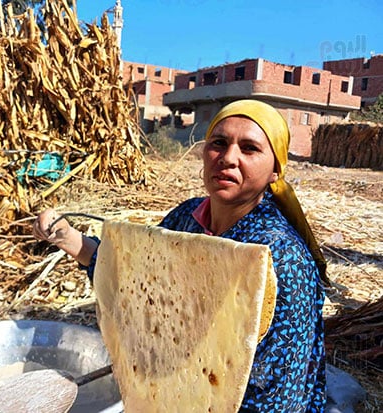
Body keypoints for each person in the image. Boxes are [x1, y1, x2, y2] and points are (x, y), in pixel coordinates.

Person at [33, 99, 327, 412]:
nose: (228, 158)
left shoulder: (282, 257)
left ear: (275, 171)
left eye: (250, 149)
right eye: (218, 143)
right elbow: (138, 281)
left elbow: (282, 391)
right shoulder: (187, 217)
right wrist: (68, 237)